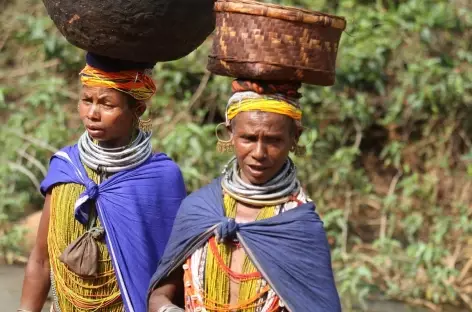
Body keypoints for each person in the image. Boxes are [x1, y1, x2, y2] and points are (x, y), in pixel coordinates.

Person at [147, 80, 341, 312]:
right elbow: (159, 296)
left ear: (294, 138)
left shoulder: (299, 226)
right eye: (248, 138)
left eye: (274, 140)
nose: (259, 153)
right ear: (230, 134)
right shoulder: (198, 210)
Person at [19, 52, 187, 312]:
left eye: (107, 104)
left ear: (138, 109)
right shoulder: (66, 168)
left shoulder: (161, 178)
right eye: (86, 100)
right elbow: (41, 260)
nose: (92, 113)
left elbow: (173, 269)